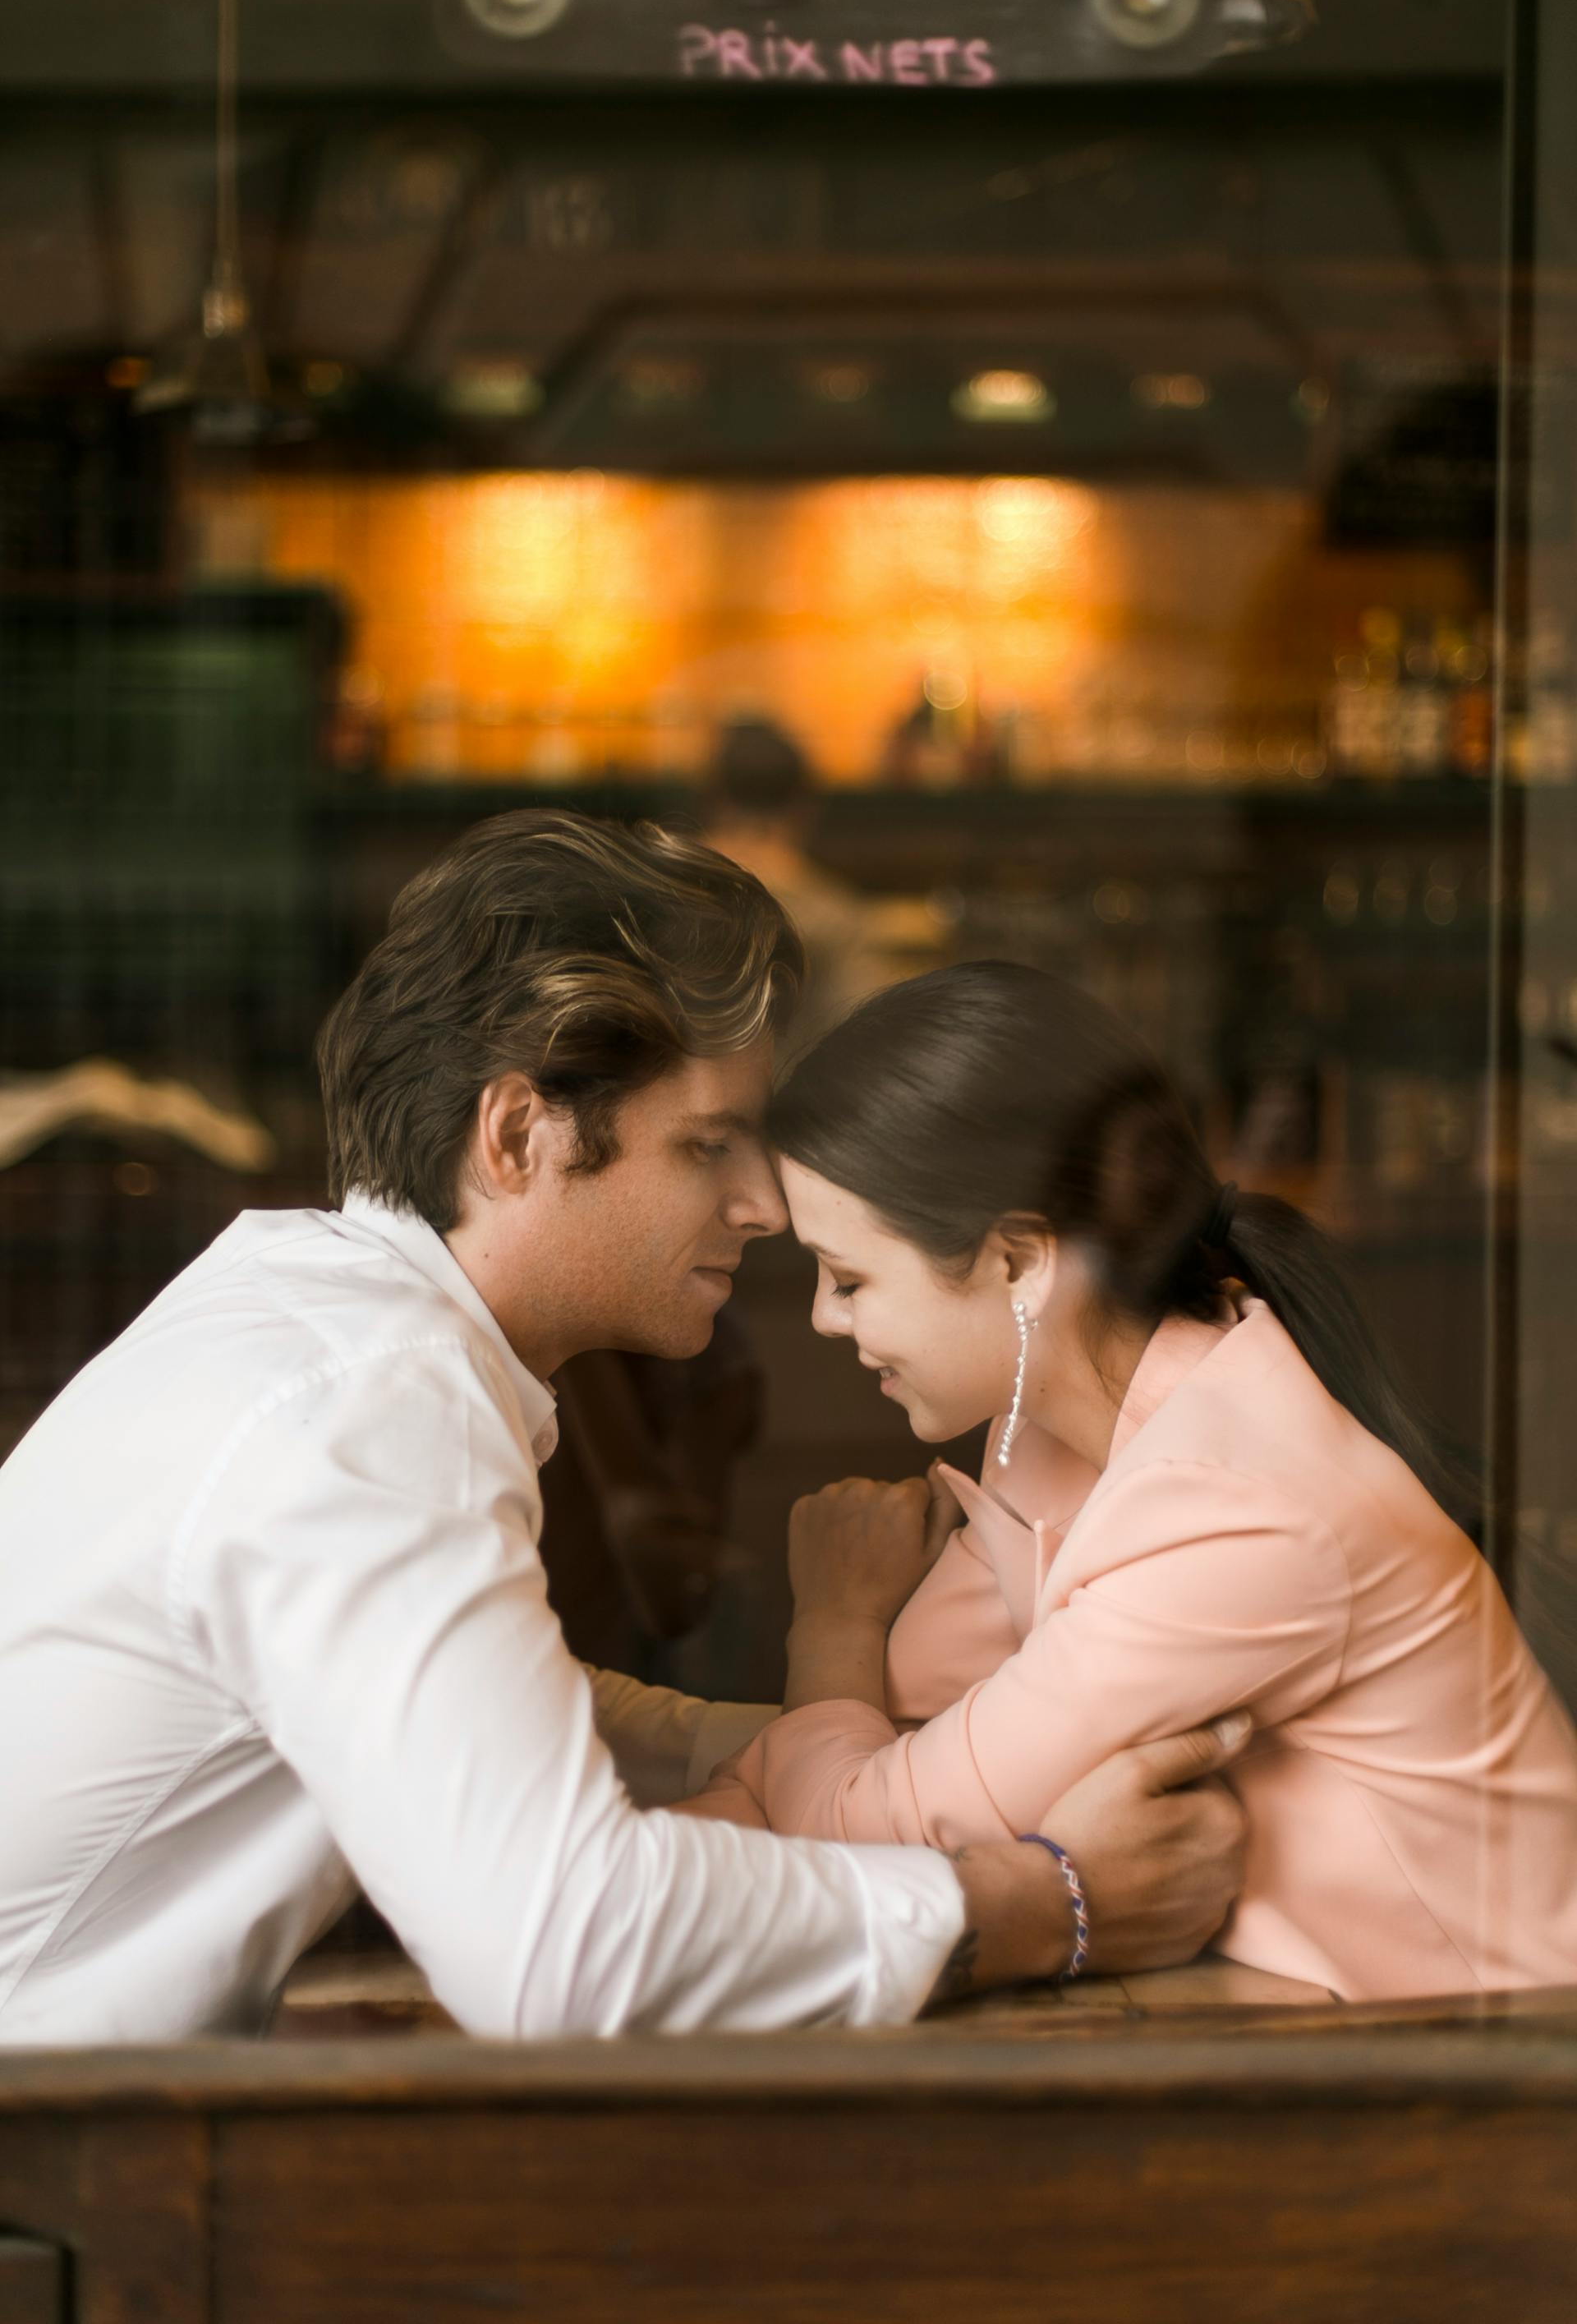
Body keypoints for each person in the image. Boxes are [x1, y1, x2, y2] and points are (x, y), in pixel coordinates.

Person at [0, 815, 1246, 2046]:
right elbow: (564, 1949)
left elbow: (485, 1715)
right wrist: (1049, 1901)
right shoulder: (369, 1406)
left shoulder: (321, 1329)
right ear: (516, 1135)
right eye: (710, 1146)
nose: (763, 1205)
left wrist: (866, 1769)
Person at [682, 960, 1577, 2003]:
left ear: (1019, 1263)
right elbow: (874, 1754)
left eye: (850, 1280)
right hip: (1290, 2033)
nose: (826, 1320)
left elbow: (867, 1822)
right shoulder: (1055, 1428)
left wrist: (831, 1625)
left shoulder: (1238, 1514)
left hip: (1496, 2086)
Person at [701, 716, 909, 1053]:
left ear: (714, 800)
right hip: (793, 1100)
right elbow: (870, 1041)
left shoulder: (657, 889)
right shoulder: (834, 913)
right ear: (805, 808)